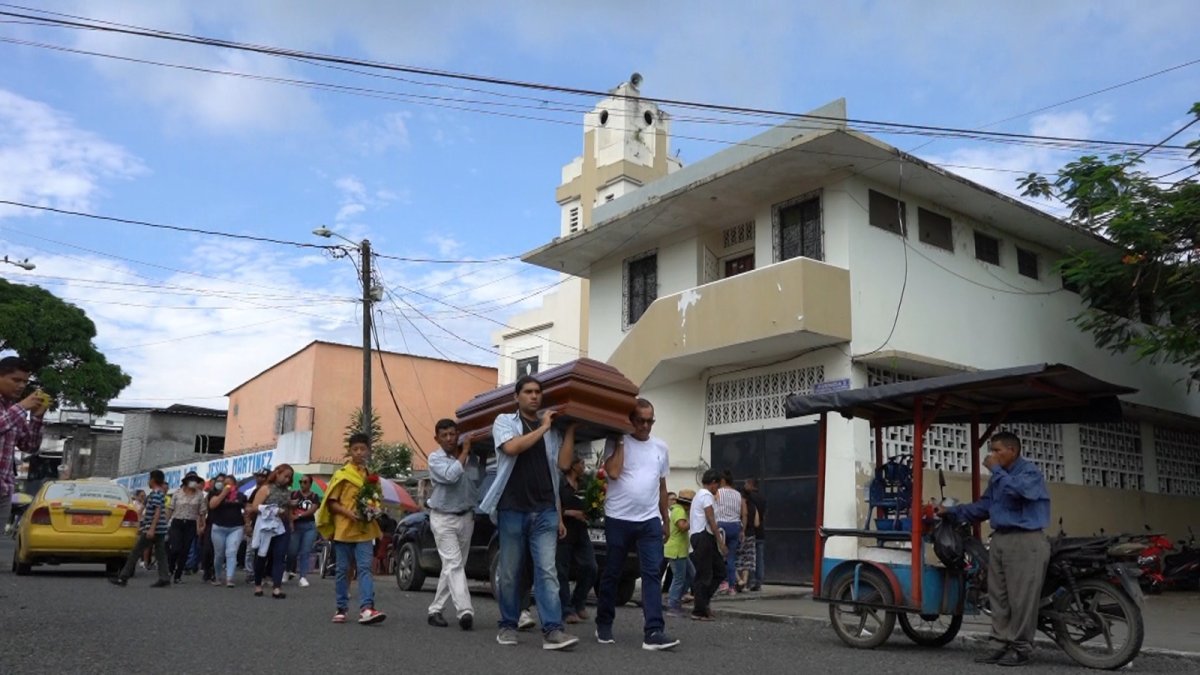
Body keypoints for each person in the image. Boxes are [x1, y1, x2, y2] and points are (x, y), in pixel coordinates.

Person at [479, 375, 579, 650]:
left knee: (547, 571)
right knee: (510, 572)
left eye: (538, 392)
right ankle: (508, 626)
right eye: (528, 392)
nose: (534, 396)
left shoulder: (552, 430)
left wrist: (569, 429)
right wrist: (544, 427)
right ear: (517, 397)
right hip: (512, 509)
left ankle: (553, 630)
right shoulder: (504, 422)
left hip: (545, 509)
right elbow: (512, 448)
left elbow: (563, 464)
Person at [939, 431, 1051, 667]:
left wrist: (996, 471)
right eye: (991, 450)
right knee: (998, 597)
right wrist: (952, 512)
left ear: (1012, 450)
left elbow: (1019, 492)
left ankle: (1021, 648)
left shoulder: (1028, 472)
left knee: (1021, 599)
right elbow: (984, 506)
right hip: (1001, 539)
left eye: (997, 450)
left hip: (1025, 540)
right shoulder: (999, 479)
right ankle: (999, 644)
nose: (992, 455)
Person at [587, 398, 679, 650]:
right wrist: (619, 436)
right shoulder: (616, 441)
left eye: (650, 421)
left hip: (649, 520)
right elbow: (614, 472)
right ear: (630, 419)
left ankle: (654, 631)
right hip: (618, 518)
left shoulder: (661, 447)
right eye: (641, 420)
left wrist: (665, 518)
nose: (646, 426)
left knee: (651, 573)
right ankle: (604, 622)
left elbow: (662, 486)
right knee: (613, 573)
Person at [316, 433, 386, 625]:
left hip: (364, 530)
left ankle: (366, 608)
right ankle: (341, 607)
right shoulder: (342, 475)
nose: (359, 452)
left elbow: (376, 499)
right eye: (355, 449)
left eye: (363, 449)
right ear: (350, 451)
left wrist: (374, 509)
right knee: (342, 570)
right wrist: (348, 513)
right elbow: (331, 503)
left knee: (364, 569)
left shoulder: (371, 476)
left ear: (368, 451)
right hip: (344, 530)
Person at [426, 418, 479, 630]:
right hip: (442, 518)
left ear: (458, 434)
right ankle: (465, 611)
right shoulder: (435, 459)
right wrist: (464, 451)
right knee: (454, 564)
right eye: (444, 435)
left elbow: (475, 483)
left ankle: (435, 609)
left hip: (466, 516)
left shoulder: (471, 457)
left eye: (452, 434)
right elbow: (450, 476)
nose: (449, 438)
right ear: (437, 438)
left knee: (453, 566)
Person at [0, 357, 47, 536]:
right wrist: (22, 407)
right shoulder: (16, 409)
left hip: (4, 489)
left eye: (25, 382)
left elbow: (30, 446)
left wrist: (37, 417)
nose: (21, 386)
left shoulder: (11, 408)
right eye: (16, 380)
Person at [110, 469, 171, 587]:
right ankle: (164, 577)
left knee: (135, 552)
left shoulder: (156, 494)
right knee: (160, 554)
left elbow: (157, 512)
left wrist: (151, 528)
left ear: (153, 480)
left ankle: (123, 577)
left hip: (154, 529)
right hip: (160, 529)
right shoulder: (157, 494)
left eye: (150, 479)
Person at [556, 455, 596, 625]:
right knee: (561, 572)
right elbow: (554, 506)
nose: (584, 466)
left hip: (581, 531)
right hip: (564, 531)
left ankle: (578, 601)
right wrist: (571, 513)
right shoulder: (560, 484)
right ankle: (565, 609)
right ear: (572, 465)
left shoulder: (586, 485)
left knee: (591, 567)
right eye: (581, 463)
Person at [249, 464, 294, 599]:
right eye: (285, 476)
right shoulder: (266, 489)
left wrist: (291, 520)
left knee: (280, 556)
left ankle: (277, 587)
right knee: (262, 555)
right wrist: (272, 510)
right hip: (266, 525)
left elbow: (288, 509)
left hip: (282, 525)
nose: (287, 479)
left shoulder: (287, 491)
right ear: (277, 474)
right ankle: (258, 584)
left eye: (289, 477)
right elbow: (255, 507)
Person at [689, 469, 727, 621]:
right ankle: (699, 609)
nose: (717, 489)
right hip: (704, 536)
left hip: (703, 537)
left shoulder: (700, 495)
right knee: (705, 575)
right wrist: (720, 542)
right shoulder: (706, 496)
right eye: (717, 486)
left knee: (718, 571)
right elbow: (711, 519)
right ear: (713, 483)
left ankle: (703, 603)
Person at [167, 471, 207, 584]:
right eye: (191, 480)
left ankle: (178, 575)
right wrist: (165, 522)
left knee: (185, 550)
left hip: (190, 524)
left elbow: (202, 511)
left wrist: (202, 525)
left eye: (195, 480)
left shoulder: (200, 495)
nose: (194, 482)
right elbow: (171, 509)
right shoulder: (177, 493)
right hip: (177, 522)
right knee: (175, 548)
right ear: (186, 481)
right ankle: (171, 568)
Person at [207, 473, 247, 588]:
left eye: (229, 484)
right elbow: (212, 505)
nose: (227, 486)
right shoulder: (215, 494)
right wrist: (224, 493)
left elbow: (246, 509)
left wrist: (247, 524)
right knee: (219, 555)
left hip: (236, 528)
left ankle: (230, 578)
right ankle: (218, 576)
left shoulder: (240, 496)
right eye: (224, 484)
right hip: (218, 528)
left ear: (235, 485)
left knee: (231, 552)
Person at [287, 474, 322, 588]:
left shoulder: (314, 496)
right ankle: (287, 570)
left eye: (305, 482)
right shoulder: (294, 494)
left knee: (305, 551)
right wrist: (292, 521)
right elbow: (290, 509)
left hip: (309, 525)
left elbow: (313, 509)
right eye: (301, 482)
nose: (302, 484)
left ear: (310, 484)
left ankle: (303, 576)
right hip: (296, 526)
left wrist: (300, 516)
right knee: (292, 551)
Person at [665, 489, 694, 617]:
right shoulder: (678, 511)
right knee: (679, 578)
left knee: (691, 574)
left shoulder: (678, 510)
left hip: (681, 551)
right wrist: (693, 520)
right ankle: (673, 604)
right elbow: (682, 526)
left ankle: (677, 597)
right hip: (676, 550)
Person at [714, 470, 744, 594]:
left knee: (719, 555)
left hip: (721, 525)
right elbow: (743, 512)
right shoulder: (738, 495)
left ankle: (723, 582)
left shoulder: (717, 493)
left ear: (722, 481)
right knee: (731, 557)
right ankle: (732, 586)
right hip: (735, 525)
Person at [242, 467, 270, 582]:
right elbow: (247, 509)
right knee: (251, 549)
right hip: (254, 523)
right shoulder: (253, 491)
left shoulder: (272, 491)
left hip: (268, 524)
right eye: (258, 476)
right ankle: (250, 573)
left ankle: (262, 573)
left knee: (264, 550)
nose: (260, 478)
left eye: (263, 476)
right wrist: (247, 524)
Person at [743, 477, 766, 591]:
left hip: (750, 531)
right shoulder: (763, 498)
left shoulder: (749, 498)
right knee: (759, 557)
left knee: (749, 557)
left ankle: (749, 581)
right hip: (761, 531)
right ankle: (759, 581)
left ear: (750, 485)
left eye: (746, 484)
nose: (744, 486)